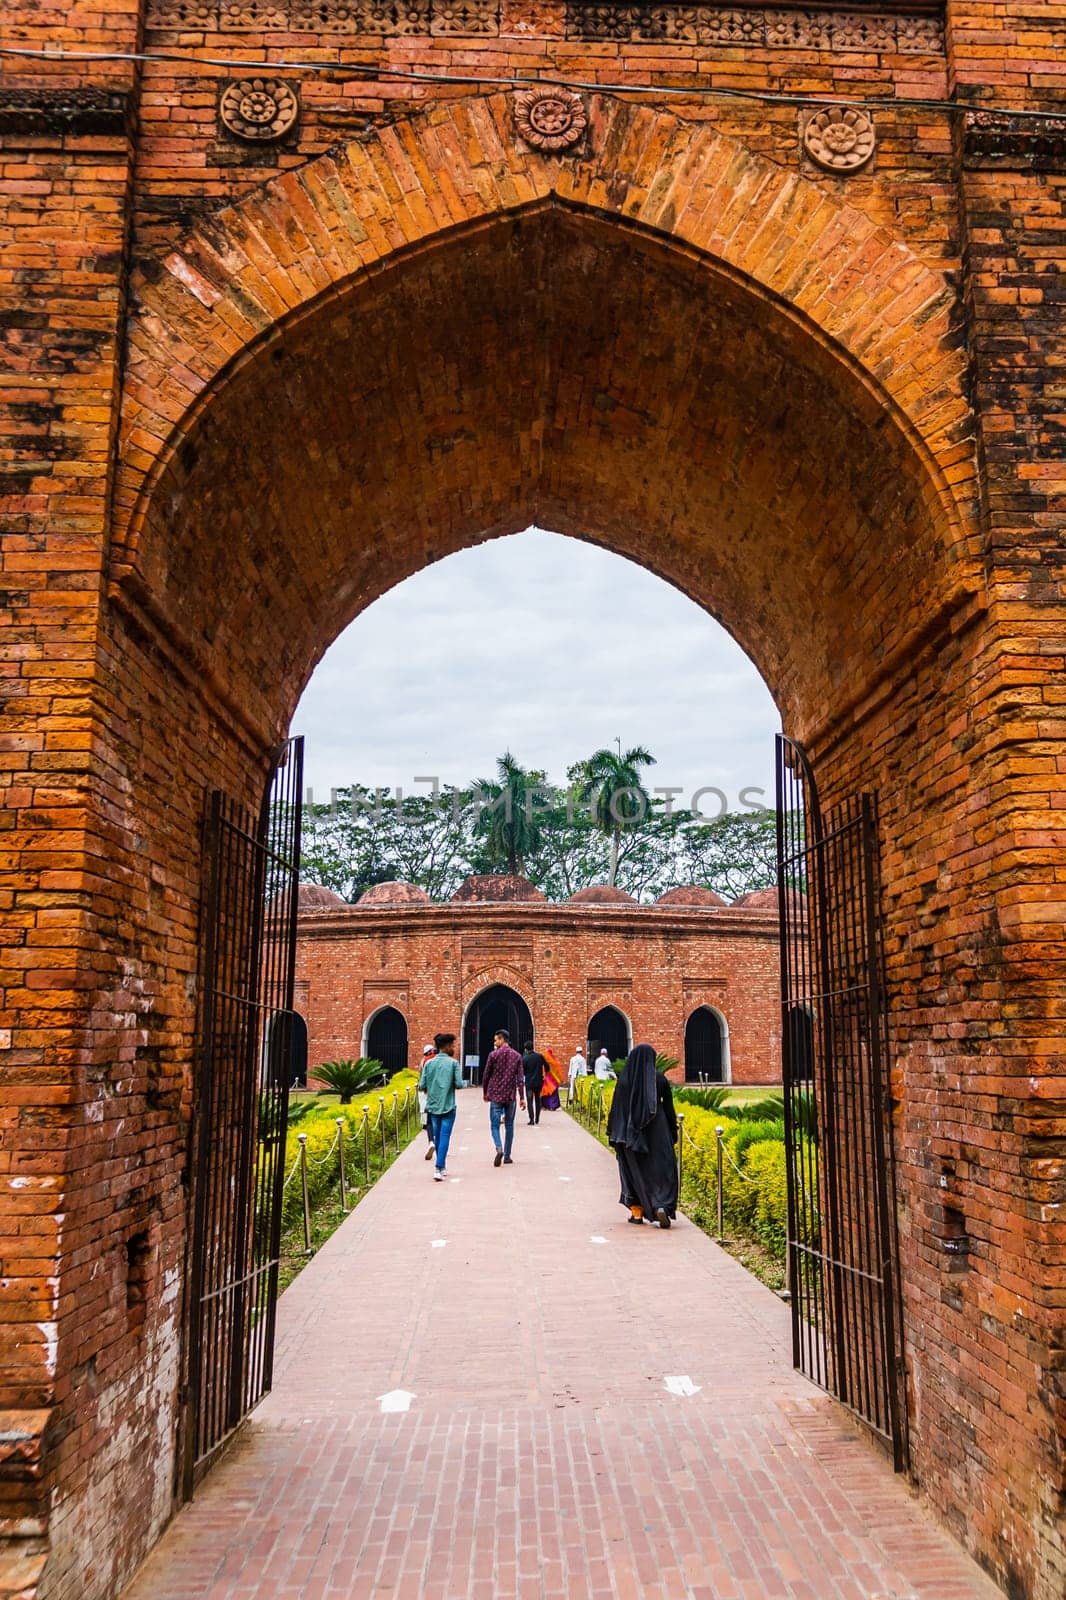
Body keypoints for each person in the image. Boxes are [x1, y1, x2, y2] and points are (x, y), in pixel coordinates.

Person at [606, 1043, 679, 1228]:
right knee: (662, 1171)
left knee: (632, 1173)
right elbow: (669, 1109)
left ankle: (636, 1213)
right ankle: (661, 1205)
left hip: (630, 1135)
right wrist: (672, 1132)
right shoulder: (660, 1079)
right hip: (658, 1131)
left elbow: (617, 1109)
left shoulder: (624, 1080)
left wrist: (616, 1134)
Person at [418, 1031, 464, 1182]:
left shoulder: (429, 1063)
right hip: (448, 1106)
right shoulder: (453, 1063)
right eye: (452, 1045)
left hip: (432, 1106)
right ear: (446, 1046)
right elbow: (458, 1084)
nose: (454, 1048)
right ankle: (438, 1167)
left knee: (437, 1137)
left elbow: (422, 1085)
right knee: (444, 1137)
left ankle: (441, 1166)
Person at [482, 1028, 525, 1166]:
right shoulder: (517, 1056)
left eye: (496, 1040)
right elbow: (520, 1079)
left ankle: (499, 1147)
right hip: (510, 1096)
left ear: (502, 1039)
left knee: (494, 1125)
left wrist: (485, 1092)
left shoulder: (493, 1055)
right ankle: (507, 1155)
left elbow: (486, 1075)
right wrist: (522, 1097)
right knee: (509, 1126)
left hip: (495, 1094)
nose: (495, 1042)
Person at [521, 1039, 546, 1125]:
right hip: (539, 1082)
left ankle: (531, 1119)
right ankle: (537, 1118)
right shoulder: (540, 1056)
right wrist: (544, 1073)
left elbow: (522, 1071)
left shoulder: (525, 1059)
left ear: (525, 1049)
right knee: (538, 1100)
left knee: (529, 1100)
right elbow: (547, 1066)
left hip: (529, 1083)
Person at [418, 1043, 436, 1160]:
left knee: (425, 1111)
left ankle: (431, 1141)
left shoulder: (424, 1061)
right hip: (439, 1093)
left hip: (427, 1091)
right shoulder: (436, 1059)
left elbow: (421, 1076)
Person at [540, 1046, 563, 1112]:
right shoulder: (553, 1061)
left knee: (545, 1092)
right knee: (553, 1092)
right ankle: (553, 1106)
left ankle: (545, 1106)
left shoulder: (543, 1059)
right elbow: (557, 1070)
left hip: (545, 1078)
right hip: (552, 1079)